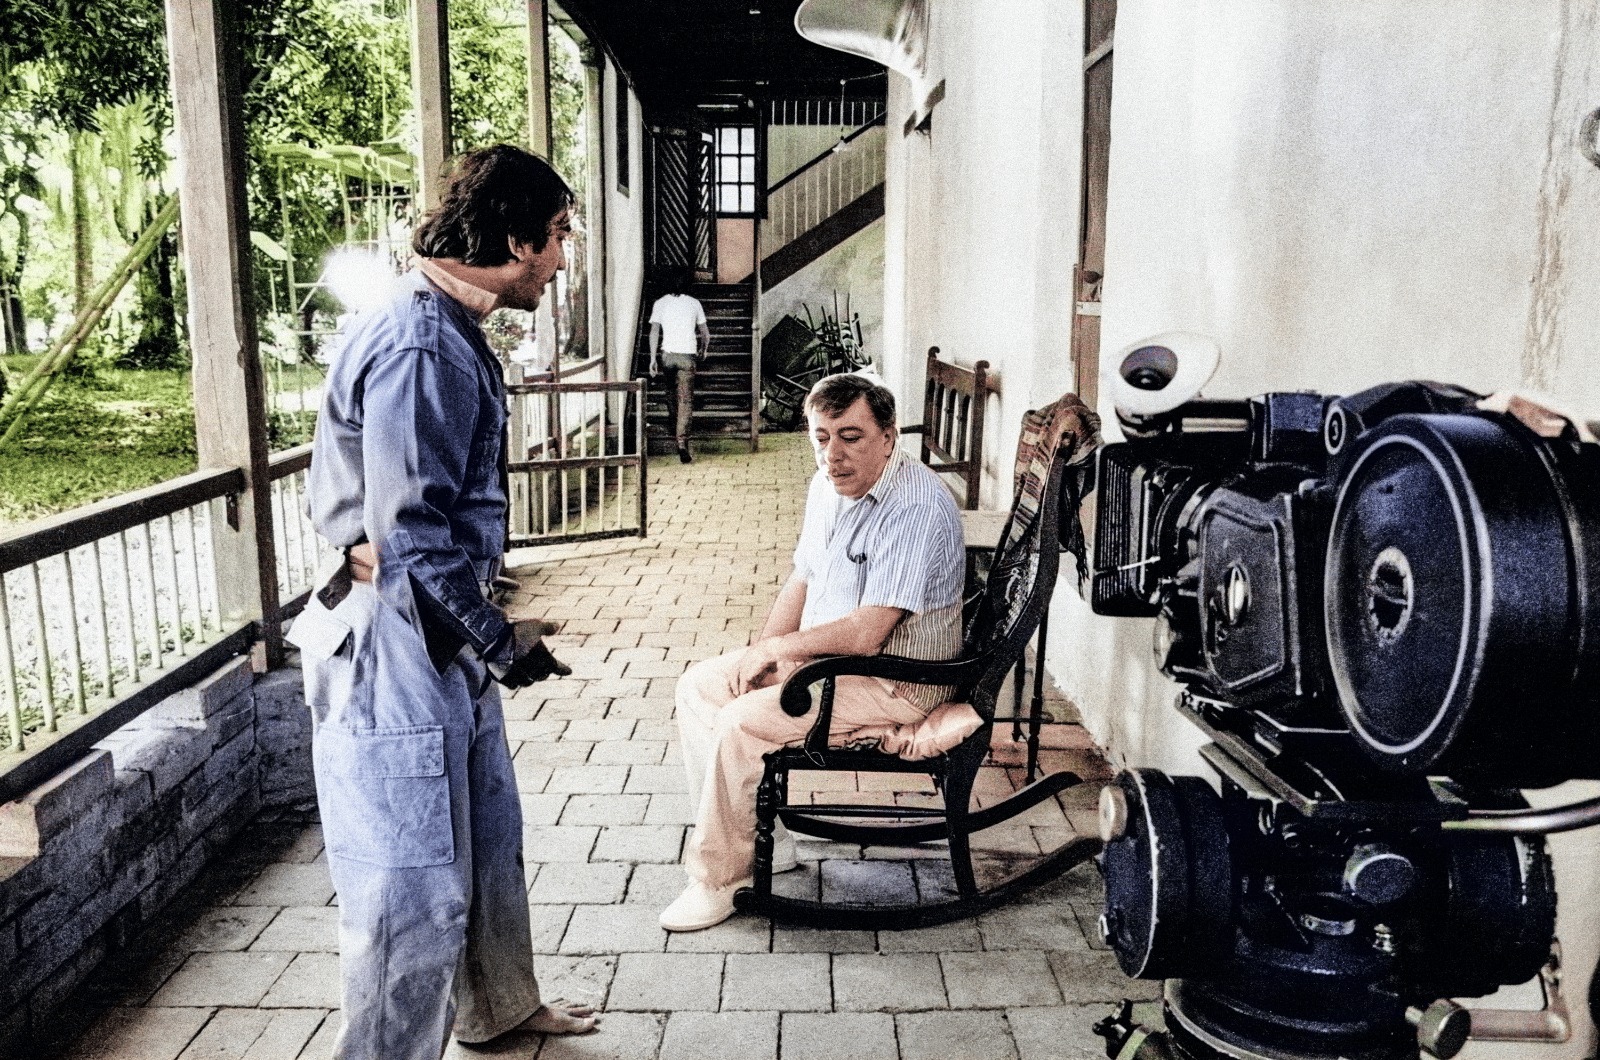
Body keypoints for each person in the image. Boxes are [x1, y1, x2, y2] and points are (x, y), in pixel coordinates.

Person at [294, 145, 599, 1060]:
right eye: (552, 237)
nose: (558, 256)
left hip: (436, 627)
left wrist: (480, 635)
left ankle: (498, 1006)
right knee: (411, 883)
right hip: (394, 636)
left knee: (485, 836)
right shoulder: (423, 342)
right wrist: (498, 638)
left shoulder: (447, 327)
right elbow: (404, 534)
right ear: (510, 239)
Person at [662, 372, 965, 931]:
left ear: (889, 435)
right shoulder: (826, 485)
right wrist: (764, 657)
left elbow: (867, 635)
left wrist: (783, 650)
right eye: (821, 437)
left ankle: (718, 880)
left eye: (851, 436)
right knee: (700, 686)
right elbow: (804, 577)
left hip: (897, 682)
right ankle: (762, 842)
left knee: (740, 724)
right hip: (835, 664)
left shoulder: (915, 505)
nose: (834, 455)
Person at [647, 268, 710, 462]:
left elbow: (654, 333)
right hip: (687, 357)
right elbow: (706, 334)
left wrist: (652, 359)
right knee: (685, 401)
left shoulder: (660, 303)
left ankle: (674, 427)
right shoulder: (695, 303)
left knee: (670, 395)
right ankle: (682, 442)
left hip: (667, 357)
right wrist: (704, 349)